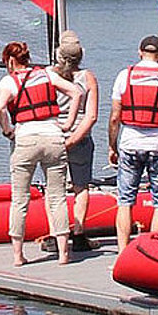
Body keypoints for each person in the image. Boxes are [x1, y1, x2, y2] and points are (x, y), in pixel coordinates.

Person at [0, 41, 83, 266]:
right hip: (53, 137)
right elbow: (76, 92)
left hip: (25, 140)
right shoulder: (46, 75)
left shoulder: (8, 81)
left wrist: (7, 129)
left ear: (10, 61)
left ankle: (18, 256)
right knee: (57, 197)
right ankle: (63, 254)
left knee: (20, 200)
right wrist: (68, 123)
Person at [106, 35, 158, 251]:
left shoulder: (124, 76)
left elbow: (115, 117)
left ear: (140, 52)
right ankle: (154, 251)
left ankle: (123, 252)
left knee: (125, 200)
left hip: (130, 143)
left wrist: (112, 146)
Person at [48, 31, 100, 253]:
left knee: (54, 189)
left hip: (53, 135)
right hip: (80, 137)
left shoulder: (48, 75)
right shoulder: (88, 78)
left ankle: (54, 235)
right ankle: (78, 234)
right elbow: (92, 116)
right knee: (81, 187)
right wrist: (75, 138)